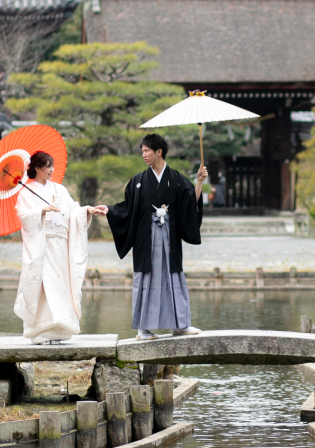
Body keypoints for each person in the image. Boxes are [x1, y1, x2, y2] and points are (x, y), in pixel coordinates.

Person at [94, 133, 206, 339]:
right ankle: (143, 328)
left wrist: (198, 182)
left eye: (147, 151)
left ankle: (180, 325)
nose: (144, 155)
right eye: (142, 151)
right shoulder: (138, 180)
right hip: (146, 237)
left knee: (172, 276)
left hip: (169, 235)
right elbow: (127, 208)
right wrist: (109, 210)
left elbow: (190, 202)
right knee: (147, 277)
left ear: (159, 152)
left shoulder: (176, 178)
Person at [14, 150, 93, 342]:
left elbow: (73, 210)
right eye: (48, 166)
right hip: (41, 245)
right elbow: (23, 216)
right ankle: (40, 329)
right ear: (38, 169)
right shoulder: (25, 193)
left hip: (60, 246)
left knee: (60, 283)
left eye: (52, 166)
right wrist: (41, 210)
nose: (52, 170)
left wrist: (87, 211)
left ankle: (60, 328)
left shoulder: (60, 190)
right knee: (44, 284)